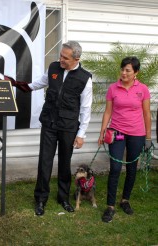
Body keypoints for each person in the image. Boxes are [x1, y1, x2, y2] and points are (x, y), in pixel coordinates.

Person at [26, 41, 93, 216]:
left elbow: (86, 108)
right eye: (60, 55)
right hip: (49, 123)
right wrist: (22, 87)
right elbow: (40, 82)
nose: (60, 59)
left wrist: (81, 134)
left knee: (64, 163)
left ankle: (63, 198)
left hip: (69, 127)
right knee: (45, 162)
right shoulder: (54, 68)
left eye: (65, 57)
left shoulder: (85, 78)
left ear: (76, 58)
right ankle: (41, 199)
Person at [98, 56, 152, 223]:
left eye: (128, 70)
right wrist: (102, 132)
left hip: (137, 134)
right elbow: (108, 112)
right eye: (122, 69)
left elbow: (146, 114)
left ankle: (125, 200)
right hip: (118, 132)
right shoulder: (113, 88)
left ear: (136, 72)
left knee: (132, 168)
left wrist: (148, 137)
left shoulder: (142, 89)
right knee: (115, 168)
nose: (123, 73)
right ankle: (110, 206)